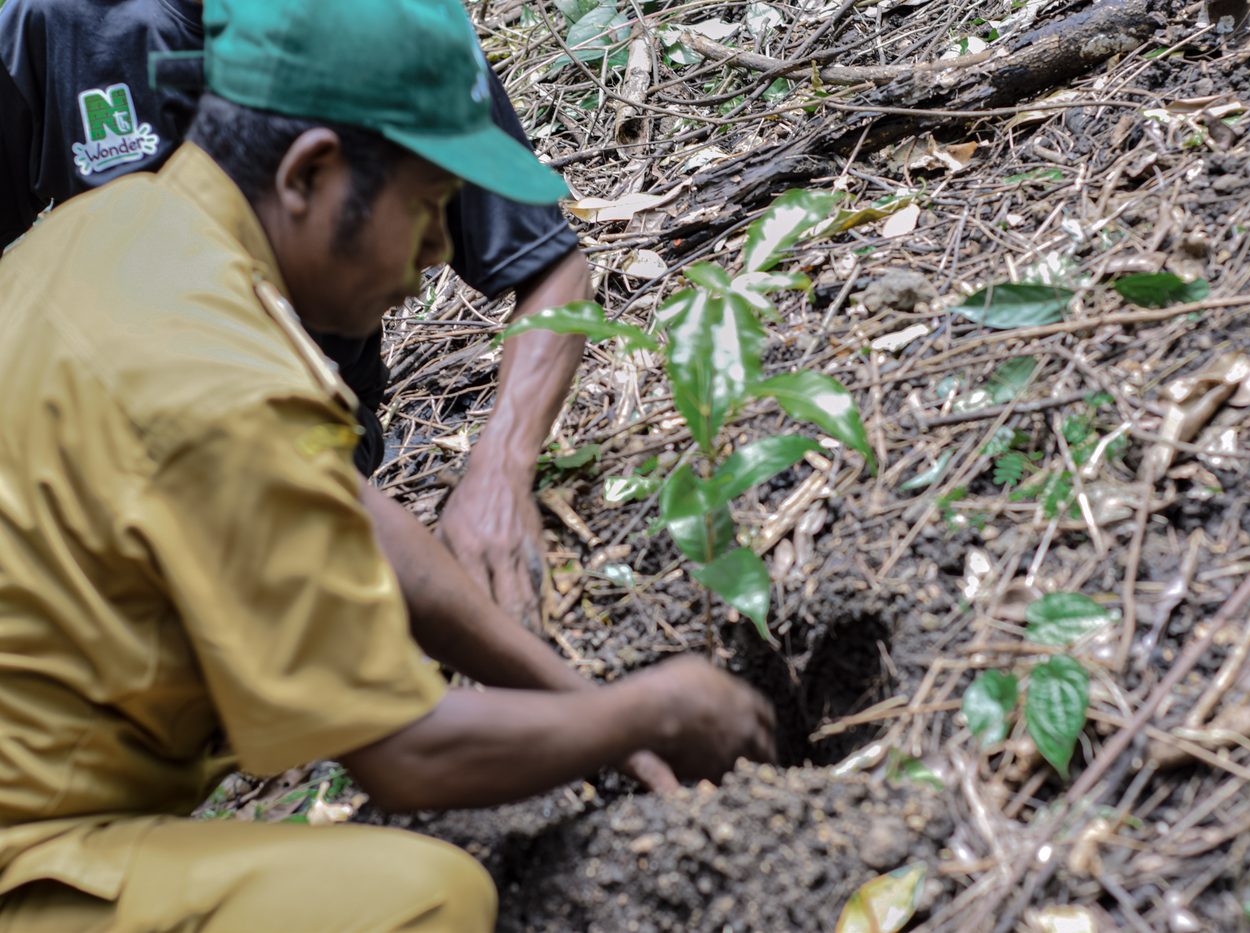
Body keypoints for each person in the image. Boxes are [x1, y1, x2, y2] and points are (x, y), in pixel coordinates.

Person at [0, 1, 777, 929]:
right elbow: (403, 756)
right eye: (429, 207)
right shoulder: (223, 380)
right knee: (425, 899)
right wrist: (651, 711)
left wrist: (577, 699)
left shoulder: (116, 234)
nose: (441, 253)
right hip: (33, 849)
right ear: (310, 174)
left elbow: (357, 520)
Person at [0, 0, 583, 627]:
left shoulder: (378, 27)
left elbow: (548, 263)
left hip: (309, 435)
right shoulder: (51, 23)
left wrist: (501, 466)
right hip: (97, 446)